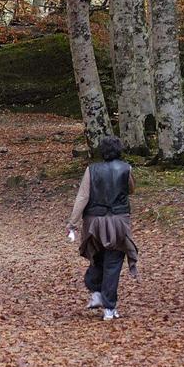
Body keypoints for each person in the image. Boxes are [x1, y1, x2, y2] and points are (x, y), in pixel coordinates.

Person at [66, 135, 138, 320]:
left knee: (97, 257)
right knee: (113, 263)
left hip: (94, 223)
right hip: (119, 222)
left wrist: (72, 223)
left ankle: (97, 292)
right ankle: (109, 307)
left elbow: (82, 197)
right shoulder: (126, 169)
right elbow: (131, 189)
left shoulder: (92, 170)